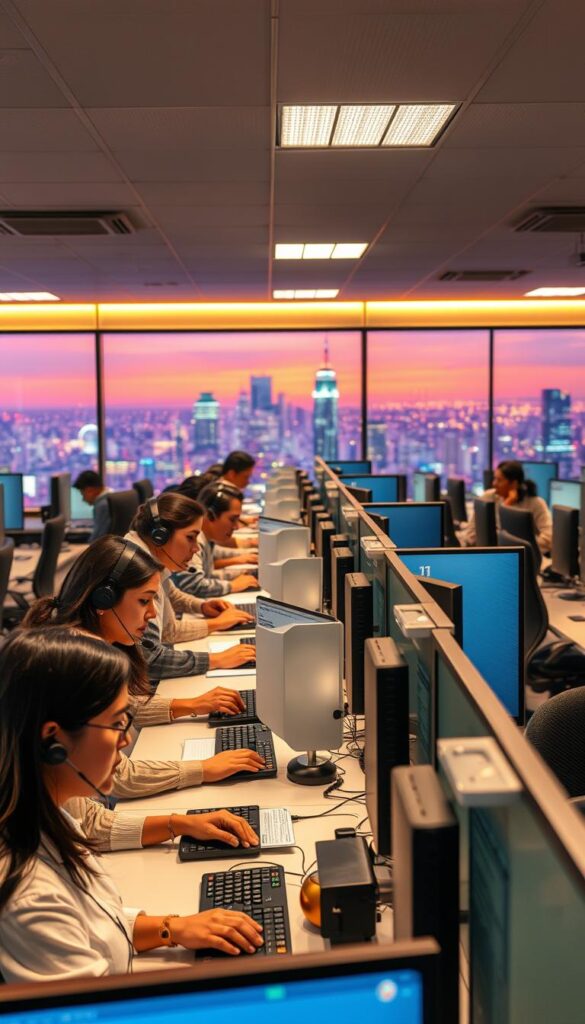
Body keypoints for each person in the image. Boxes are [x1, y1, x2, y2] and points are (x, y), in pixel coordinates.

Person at [0, 629, 264, 982]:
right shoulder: (30, 896)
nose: (125, 740)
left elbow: (94, 922)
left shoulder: (49, 817)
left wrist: (172, 929)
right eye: (117, 723)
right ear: (54, 739)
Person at [23, 536, 264, 847]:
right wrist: (196, 782)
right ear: (103, 599)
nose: (152, 614)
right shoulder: (78, 667)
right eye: (144, 600)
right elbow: (92, 818)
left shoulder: (85, 647)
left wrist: (190, 705)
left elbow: (131, 709)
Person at [126, 492, 256, 678]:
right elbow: (151, 660)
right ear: (160, 536)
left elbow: (169, 619)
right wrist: (215, 660)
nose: (196, 549)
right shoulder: (138, 570)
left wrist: (202, 607)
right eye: (190, 537)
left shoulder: (147, 558)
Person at [173, 483, 260, 600]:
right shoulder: (193, 541)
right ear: (210, 515)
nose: (236, 527)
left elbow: (207, 576)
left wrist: (246, 573)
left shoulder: (206, 538)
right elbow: (194, 586)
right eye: (232, 519)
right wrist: (231, 586)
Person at [458, 460, 553, 552]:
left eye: (499, 480)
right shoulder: (488, 497)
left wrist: (522, 546)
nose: (493, 484)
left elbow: (548, 538)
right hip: (491, 555)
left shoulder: (535, 503)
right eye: (494, 478)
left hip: (527, 558)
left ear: (514, 483)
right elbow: (471, 532)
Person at [73, 470, 112, 541]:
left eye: (83, 494)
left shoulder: (102, 506)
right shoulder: (112, 498)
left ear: (90, 490)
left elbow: (97, 539)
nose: (83, 499)